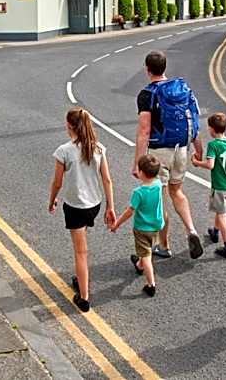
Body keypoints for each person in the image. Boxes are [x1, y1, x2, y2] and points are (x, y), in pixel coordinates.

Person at [133, 50, 204, 260]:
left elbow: (144, 130)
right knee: (177, 192)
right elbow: (193, 119)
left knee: (160, 199)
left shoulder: (147, 94)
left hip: (159, 151)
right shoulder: (182, 89)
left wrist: (138, 162)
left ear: (147, 69)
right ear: (165, 68)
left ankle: (164, 246)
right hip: (181, 148)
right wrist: (198, 148)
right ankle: (191, 230)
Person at [49, 108, 115, 313]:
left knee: (80, 252)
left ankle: (84, 297)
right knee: (82, 243)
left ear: (69, 126)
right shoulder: (98, 149)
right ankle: (81, 277)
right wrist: (110, 207)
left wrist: (52, 200)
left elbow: (57, 183)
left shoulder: (64, 151)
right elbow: (107, 180)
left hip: (75, 207)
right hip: (94, 205)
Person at [191, 112, 226, 259]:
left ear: (211, 129)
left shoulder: (213, 145)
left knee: (222, 216)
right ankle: (215, 232)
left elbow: (210, 165)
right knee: (220, 211)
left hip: (219, 187)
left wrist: (196, 163)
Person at [109, 154, 164, 297]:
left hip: (142, 228)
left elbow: (130, 211)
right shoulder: (158, 184)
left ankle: (151, 284)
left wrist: (117, 224)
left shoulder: (138, 192)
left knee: (146, 256)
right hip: (156, 225)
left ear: (141, 173)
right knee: (146, 249)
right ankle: (139, 265)